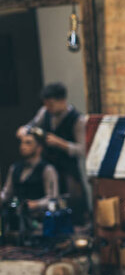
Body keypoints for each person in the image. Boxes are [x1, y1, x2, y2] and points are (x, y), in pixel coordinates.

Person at [18, 82, 88, 222]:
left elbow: (82, 149)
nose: (47, 108)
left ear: (62, 101)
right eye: (45, 104)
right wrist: (24, 130)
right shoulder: (45, 112)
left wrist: (60, 143)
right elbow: (31, 125)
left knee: (71, 204)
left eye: (51, 104)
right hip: (49, 165)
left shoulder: (77, 120)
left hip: (67, 169)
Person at [0, 130, 58, 212]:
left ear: (39, 148)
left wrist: (37, 204)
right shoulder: (15, 168)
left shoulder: (47, 169)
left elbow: (52, 198)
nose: (22, 146)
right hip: (17, 217)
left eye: (28, 143)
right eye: (22, 143)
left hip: (38, 219)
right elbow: (6, 194)